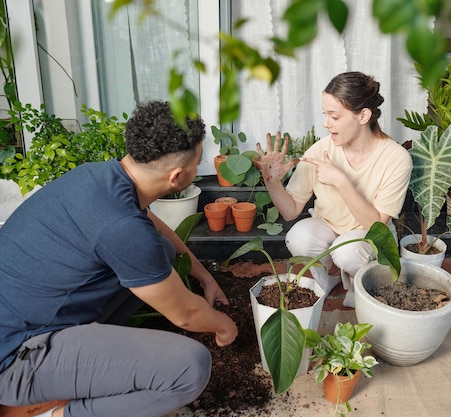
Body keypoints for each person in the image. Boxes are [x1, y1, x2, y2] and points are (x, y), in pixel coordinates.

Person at [0, 101, 238, 417]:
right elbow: (186, 316)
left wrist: (203, 276)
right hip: (16, 359)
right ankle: (55, 415)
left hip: (23, 317)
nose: (199, 168)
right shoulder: (122, 228)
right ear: (177, 176)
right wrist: (224, 326)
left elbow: (151, 225)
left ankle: (91, 363)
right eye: (198, 162)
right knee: (190, 367)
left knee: (161, 252)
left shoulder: (98, 176)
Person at [255, 71, 412, 307]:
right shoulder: (320, 150)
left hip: (367, 235)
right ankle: (327, 279)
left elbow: (377, 226)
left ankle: (361, 286)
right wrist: (272, 181)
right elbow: (290, 211)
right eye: (325, 114)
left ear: (363, 116)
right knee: (299, 236)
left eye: (334, 116)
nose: (326, 123)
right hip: (329, 227)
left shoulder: (396, 158)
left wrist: (341, 180)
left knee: (346, 252)